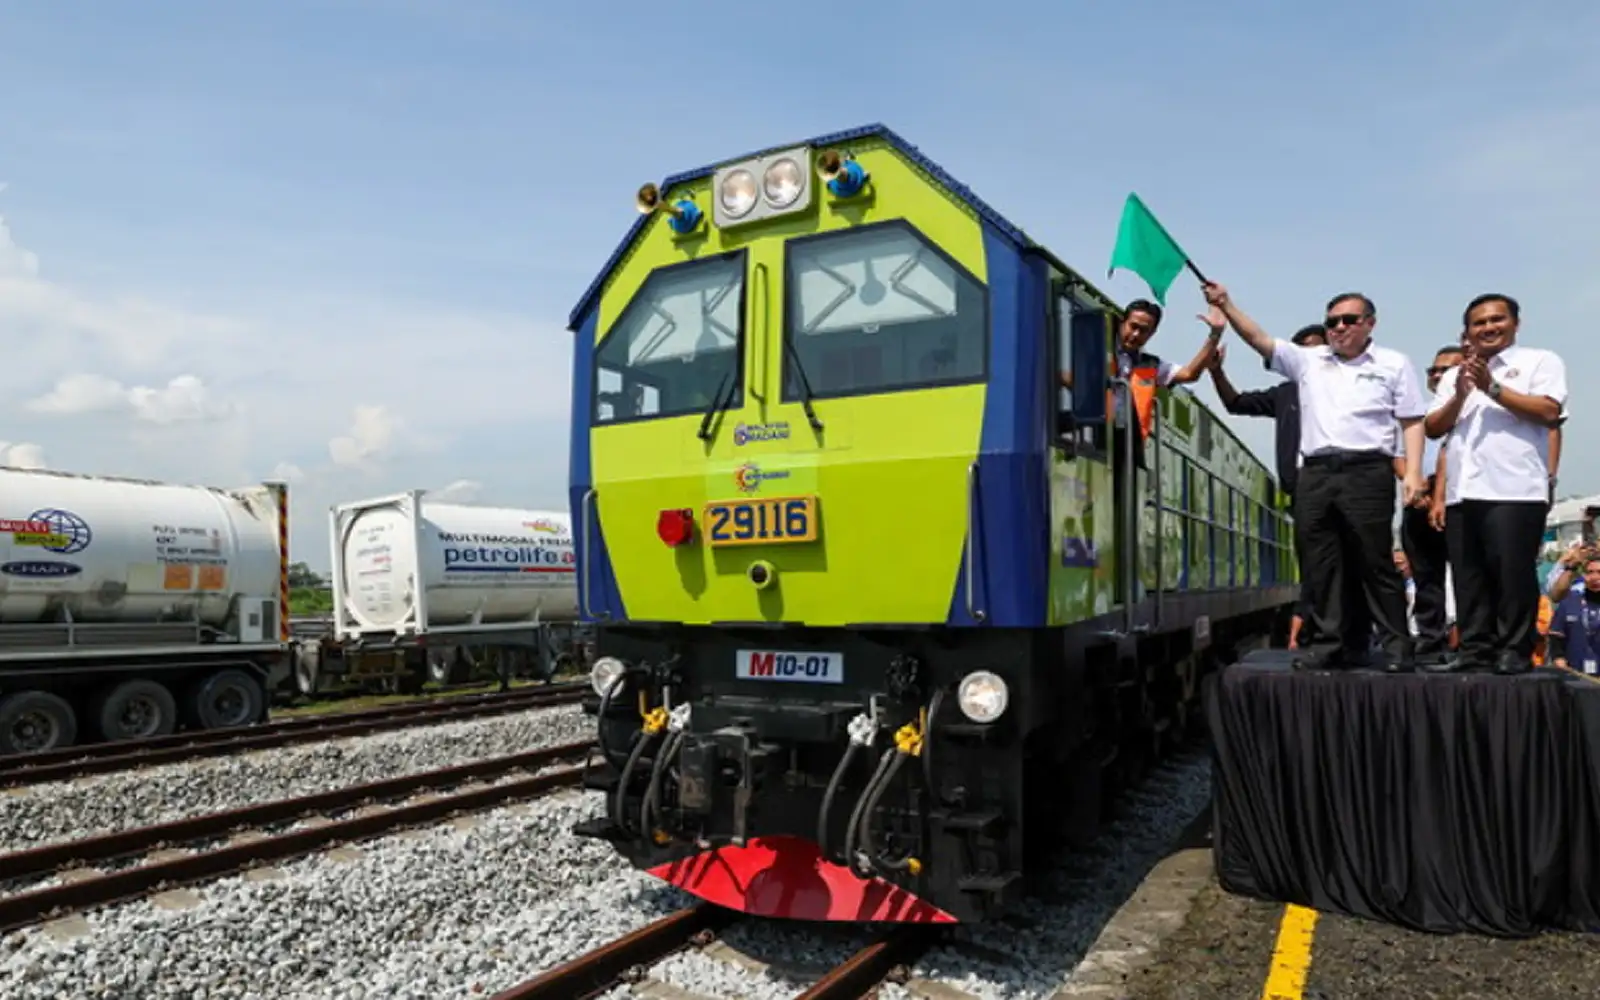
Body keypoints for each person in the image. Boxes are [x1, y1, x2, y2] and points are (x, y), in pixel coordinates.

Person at [1203, 282, 1427, 670]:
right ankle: (1328, 645)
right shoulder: (1309, 361)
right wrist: (1227, 304)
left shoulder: (1393, 363)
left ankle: (1396, 647)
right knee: (1321, 564)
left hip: (1367, 472)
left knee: (1374, 562)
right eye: (1331, 322)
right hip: (1316, 474)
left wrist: (1414, 473)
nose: (1338, 328)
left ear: (1369, 323)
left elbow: (1411, 420)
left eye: (1348, 320)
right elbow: (1258, 339)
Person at [1424, 293, 1567, 674]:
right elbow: (1433, 427)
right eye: (1479, 323)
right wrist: (1460, 395)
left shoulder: (1540, 361)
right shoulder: (1454, 375)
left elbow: (1549, 411)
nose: (1488, 327)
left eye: (1496, 320)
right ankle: (1475, 649)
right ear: (1467, 331)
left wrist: (1493, 389)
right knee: (1468, 577)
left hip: (1514, 489)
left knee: (1511, 574)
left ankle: (1514, 650)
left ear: (1515, 323)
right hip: (1462, 492)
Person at [1205, 324, 1328, 648]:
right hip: (1303, 491)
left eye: (1318, 348)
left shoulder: (1347, 391)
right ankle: (1311, 635)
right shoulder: (1285, 394)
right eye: (1303, 350)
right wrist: (1216, 372)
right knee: (1312, 563)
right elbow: (1236, 402)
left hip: (1344, 484)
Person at [1400, 344, 1464, 660]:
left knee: (1470, 576)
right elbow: (1395, 454)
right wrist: (1417, 490)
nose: (1438, 375)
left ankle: (1473, 641)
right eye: (1434, 370)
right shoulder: (1414, 415)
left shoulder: (1475, 412)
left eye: (1447, 370)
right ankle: (1430, 639)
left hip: (1461, 504)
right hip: (1418, 506)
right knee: (1426, 577)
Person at [1547, 554, 1600, 676]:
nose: (1595, 577)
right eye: (1590, 572)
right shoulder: (1569, 601)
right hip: (1575, 675)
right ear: (1584, 576)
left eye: (1599, 572)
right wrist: (1558, 658)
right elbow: (1556, 635)